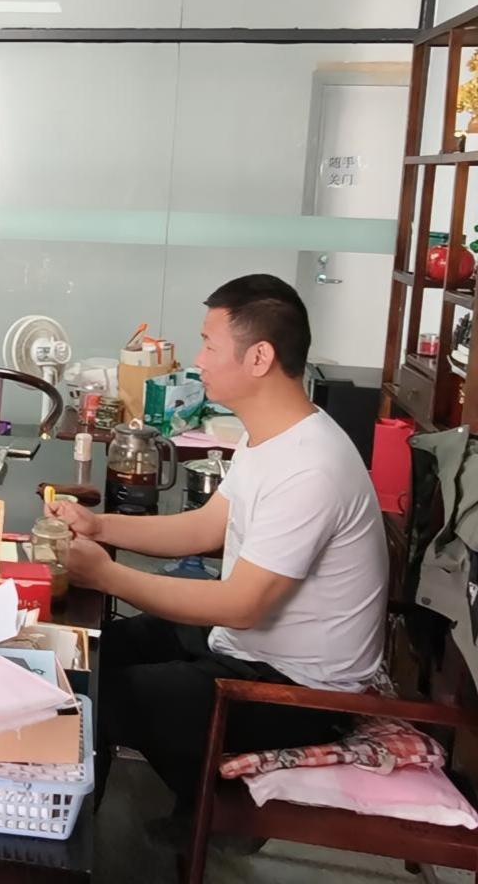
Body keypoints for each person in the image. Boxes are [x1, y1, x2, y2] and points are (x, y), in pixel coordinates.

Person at [48, 274, 386, 823]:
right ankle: (188, 797)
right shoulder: (269, 435)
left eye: (209, 345)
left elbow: (241, 605)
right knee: (90, 652)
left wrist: (107, 577)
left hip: (297, 692)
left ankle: (153, 827)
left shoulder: (312, 468)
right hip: (244, 646)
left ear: (259, 358)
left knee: (93, 699)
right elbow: (206, 527)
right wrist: (99, 526)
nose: (199, 360)